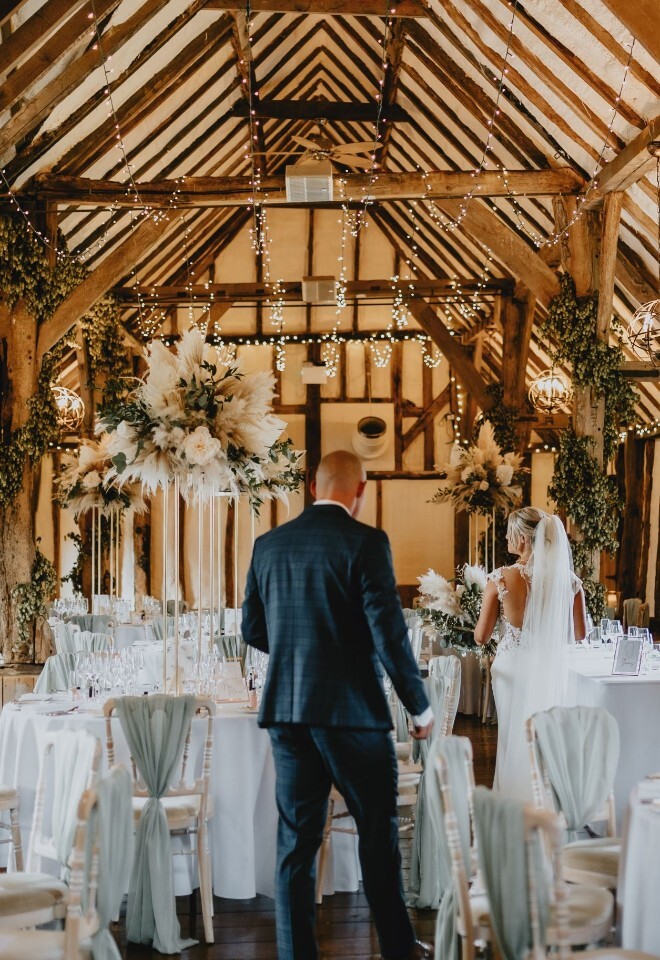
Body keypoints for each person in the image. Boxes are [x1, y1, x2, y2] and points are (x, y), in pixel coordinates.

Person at [242, 450, 434, 960]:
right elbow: (389, 633)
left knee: (297, 843)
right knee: (377, 833)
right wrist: (420, 707)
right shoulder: (367, 543)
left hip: (287, 709)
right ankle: (397, 948)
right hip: (353, 712)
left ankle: (294, 954)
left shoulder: (267, 545)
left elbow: (252, 630)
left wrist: (298, 652)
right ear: (361, 490)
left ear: (310, 486)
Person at [474, 506, 587, 800]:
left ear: (524, 538)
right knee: (543, 734)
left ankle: (513, 800)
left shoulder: (499, 578)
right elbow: (580, 635)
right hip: (549, 668)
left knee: (513, 735)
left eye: (511, 533)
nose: (507, 539)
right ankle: (544, 798)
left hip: (511, 670)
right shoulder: (571, 581)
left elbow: (481, 636)